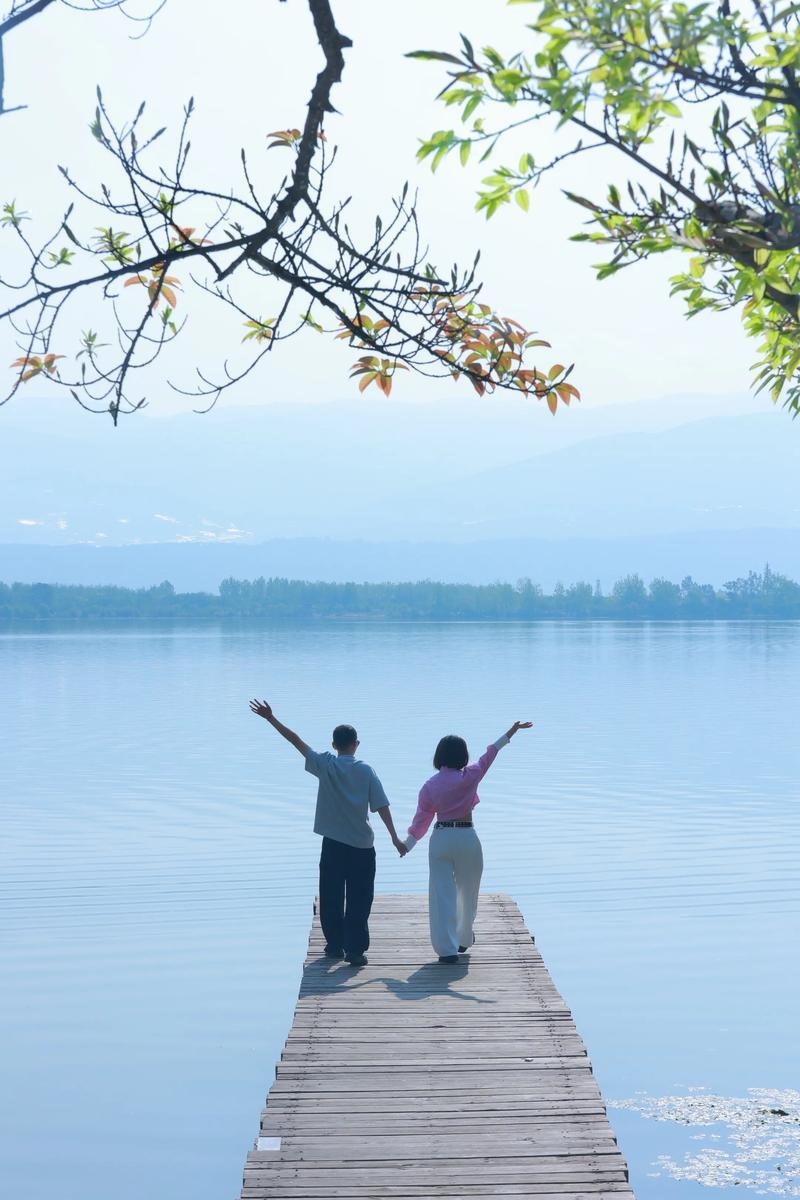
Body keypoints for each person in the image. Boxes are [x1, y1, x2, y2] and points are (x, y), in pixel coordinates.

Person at [249, 699, 406, 966]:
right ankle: (355, 950)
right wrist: (395, 838)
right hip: (362, 846)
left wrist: (271, 719)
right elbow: (381, 806)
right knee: (360, 898)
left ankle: (334, 946)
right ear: (356, 744)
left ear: (334, 745)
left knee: (331, 895)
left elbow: (296, 741)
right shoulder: (366, 770)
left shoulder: (325, 764)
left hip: (333, 844)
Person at [403, 721, 533, 963]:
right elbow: (490, 753)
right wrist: (511, 732)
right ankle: (463, 938)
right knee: (468, 892)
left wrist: (408, 844)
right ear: (463, 755)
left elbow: (422, 819)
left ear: (439, 757)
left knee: (442, 895)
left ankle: (447, 950)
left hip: (441, 837)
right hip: (466, 837)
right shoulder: (471, 775)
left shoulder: (430, 786)